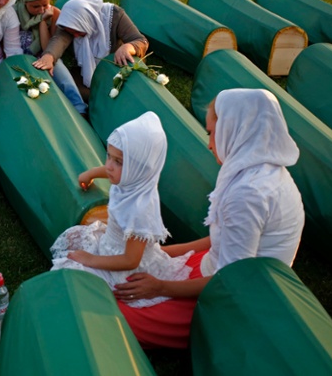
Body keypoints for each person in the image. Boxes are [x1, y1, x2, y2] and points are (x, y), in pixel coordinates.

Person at [113, 88, 305, 348]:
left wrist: (160, 288)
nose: (210, 143)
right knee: (135, 274)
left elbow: (230, 281)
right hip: (224, 269)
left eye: (211, 132)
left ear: (235, 130)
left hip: (234, 297)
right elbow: (221, 241)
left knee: (117, 313)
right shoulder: (260, 171)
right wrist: (160, 254)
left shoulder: (249, 193)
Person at [50, 112, 194, 308]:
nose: (109, 165)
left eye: (118, 161)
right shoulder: (130, 179)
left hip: (124, 270)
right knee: (73, 237)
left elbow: (130, 260)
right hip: (110, 244)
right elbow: (110, 171)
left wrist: (92, 259)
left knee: (72, 272)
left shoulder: (140, 209)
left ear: (139, 168)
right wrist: (90, 173)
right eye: (109, 156)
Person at [32, 0, 149, 89]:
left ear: (85, 22)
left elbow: (140, 40)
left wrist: (128, 47)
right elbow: (59, 39)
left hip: (116, 66)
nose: (76, 36)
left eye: (77, 32)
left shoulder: (115, 16)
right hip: (88, 72)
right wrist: (49, 55)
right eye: (73, 34)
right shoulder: (71, 23)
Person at [14, 0, 87, 114]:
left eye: (45, 4)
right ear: (25, 1)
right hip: (20, 56)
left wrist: (42, 22)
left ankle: (80, 109)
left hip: (46, 56)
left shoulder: (54, 14)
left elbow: (48, 47)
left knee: (64, 80)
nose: (41, 9)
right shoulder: (15, 13)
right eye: (35, 6)